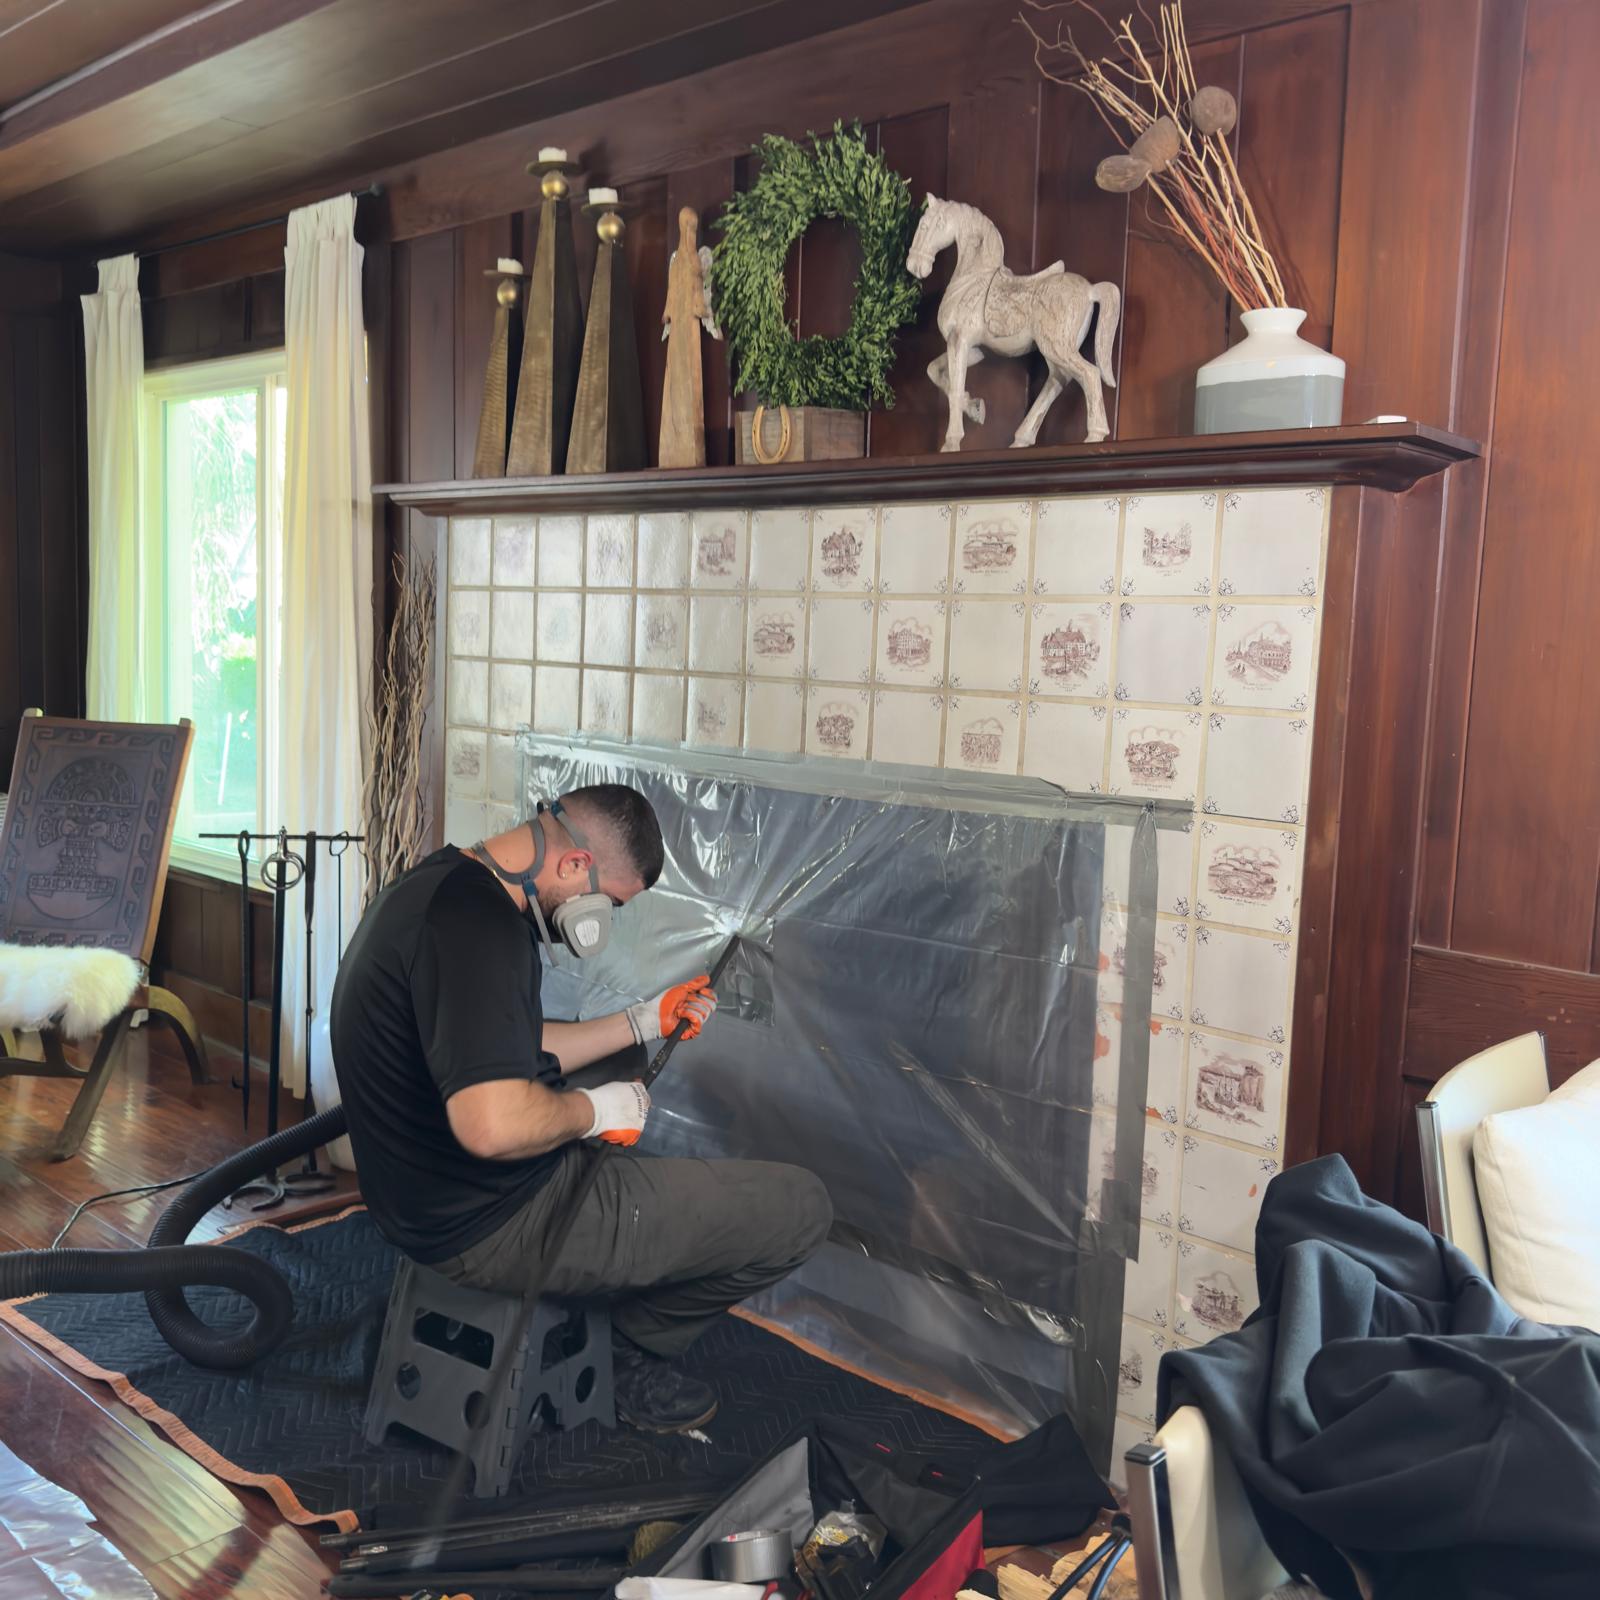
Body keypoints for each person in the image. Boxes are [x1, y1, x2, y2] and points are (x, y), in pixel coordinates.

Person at [329, 785, 832, 1433]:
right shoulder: (481, 931)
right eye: (611, 902)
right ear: (574, 866)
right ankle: (632, 1349)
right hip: (494, 1221)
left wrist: (645, 1018)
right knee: (800, 1206)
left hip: (419, 1204)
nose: (603, 921)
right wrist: (594, 1111)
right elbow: (492, 1123)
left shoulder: (447, 889)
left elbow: (504, 1045)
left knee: (613, 1090)